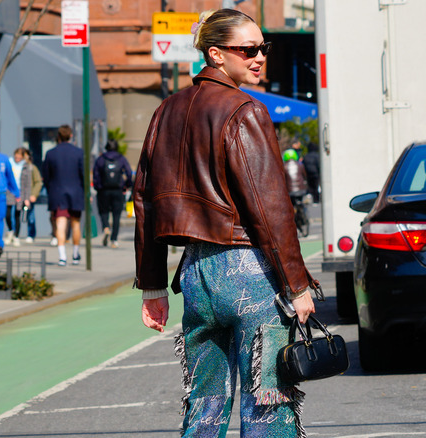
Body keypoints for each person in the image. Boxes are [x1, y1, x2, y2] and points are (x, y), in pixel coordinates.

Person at [134, 9, 317, 437]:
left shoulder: (166, 111)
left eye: (263, 48)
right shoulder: (245, 110)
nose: (259, 58)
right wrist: (298, 284)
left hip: (196, 274)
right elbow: (270, 208)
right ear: (215, 54)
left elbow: (145, 200)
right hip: (250, 272)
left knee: (205, 407)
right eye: (247, 49)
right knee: (268, 404)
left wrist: (153, 285)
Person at [42, 124, 84, 266]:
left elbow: (46, 176)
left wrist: (50, 189)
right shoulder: (78, 153)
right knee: (76, 224)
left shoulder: (51, 153)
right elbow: (83, 174)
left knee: (60, 224)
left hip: (58, 192)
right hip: (76, 192)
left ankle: (62, 256)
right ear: (71, 136)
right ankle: (75, 254)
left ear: (58, 136)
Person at [92, 139, 132, 248]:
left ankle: (105, 228)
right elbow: (128, 172)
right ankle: (114, 239)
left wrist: (98, 187)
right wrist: (127, 185)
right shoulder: (121, 158)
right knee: (116, 215)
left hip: (103, 190)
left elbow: (96, 175)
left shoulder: (101, 159)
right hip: (118, 190)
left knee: (104, 212)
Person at [4, 148, 26, 247]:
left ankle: (16, 236)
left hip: (20, 192)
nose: (17, 158)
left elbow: (27, 183)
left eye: (19, 156)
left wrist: (26, 197)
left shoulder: (25, 166)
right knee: (7, 214)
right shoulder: (9, 162)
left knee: (17, 215)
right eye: (16, 156)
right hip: (9, 191)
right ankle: (10, 231)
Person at [22, 148, 43, 243]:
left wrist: (34, 194)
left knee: (30, 216)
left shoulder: (32, 168)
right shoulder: (17, 167)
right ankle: (15, 234)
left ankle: (31, 234)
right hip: (19, 196)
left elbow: (38, 182)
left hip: (29, 195)